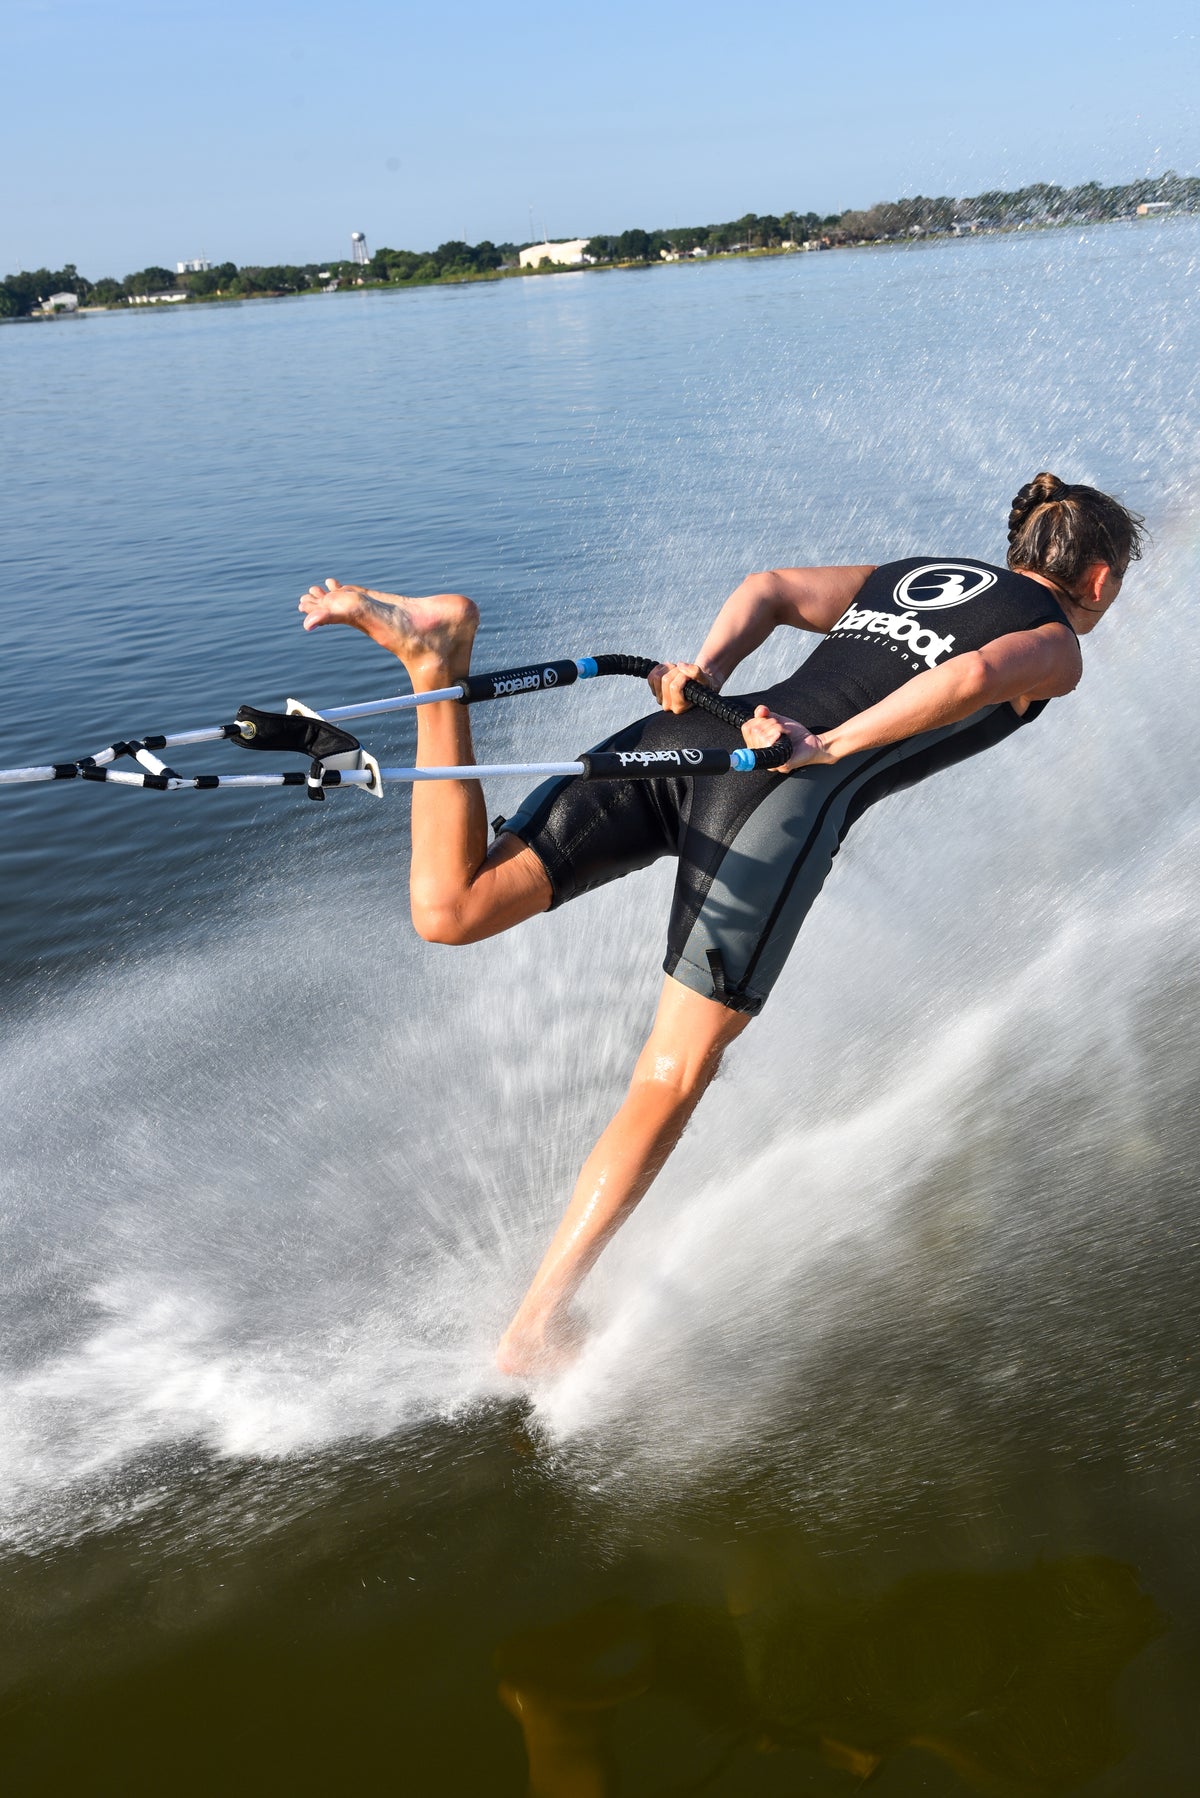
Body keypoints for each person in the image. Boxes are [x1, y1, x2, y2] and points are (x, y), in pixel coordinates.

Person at [298, 472, 1144, 1377]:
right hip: (771, 801)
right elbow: (973, 675)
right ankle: (539, 1325)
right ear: (1097, 581)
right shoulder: (1057, 645)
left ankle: (435, 665)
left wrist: (706, 672)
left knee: (452, 907)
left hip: (687, 740)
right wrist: (830, 747)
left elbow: (770, 587)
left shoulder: (918, 573)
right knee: (672, 1070)